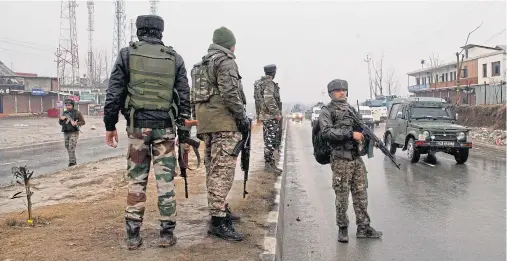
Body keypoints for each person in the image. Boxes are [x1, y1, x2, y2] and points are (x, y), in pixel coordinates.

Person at [103, 14, 191, 250]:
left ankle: (133, 235)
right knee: (165, 182)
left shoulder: (127, 54)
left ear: (139, 31)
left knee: (137, 181)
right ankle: (166, 233)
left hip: (137, 129)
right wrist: (183, 135)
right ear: (160, 32)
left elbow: (114, 94)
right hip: (165, 129)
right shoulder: (175, 58)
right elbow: (184, 99)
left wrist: (109, 126)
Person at [193, 26, 248, 241]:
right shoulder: (225, 61)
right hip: (225, 125)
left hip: (207, 125)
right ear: (230, 45)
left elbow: (193, 97)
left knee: (212, 171)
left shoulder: (200, 65)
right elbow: (230, 92)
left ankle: (220, 209)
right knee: (222, 173)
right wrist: (242, 119)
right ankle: (217, 222)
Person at [318, 79, 383, 243]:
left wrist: (369, 138)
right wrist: (350, 134)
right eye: (338, 90)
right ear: (331, 93)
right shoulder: (327, 111)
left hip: (356, 158)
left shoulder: (351, 109)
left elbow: (360, 128)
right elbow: (326, 132)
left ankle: (364, 227)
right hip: (340, 159)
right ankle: (343, 228)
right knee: (342, 196)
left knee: (361, 194)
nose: (342, 92)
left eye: (344, 90)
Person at [254, 64, 282, 174]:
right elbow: (269, 99)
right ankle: (268, 164)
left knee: (268, 140)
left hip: (263, 115)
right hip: (270, 116)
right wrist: (276, 113)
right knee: (270, 141)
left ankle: (270, 164)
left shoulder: (259, 83)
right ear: (273, 73)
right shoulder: (269, 83)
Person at [59, 98, 85, 167]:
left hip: (74, 132)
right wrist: (61, 119)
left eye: (69, 105)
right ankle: (73, 160)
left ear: (72, 105)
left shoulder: (77, 113)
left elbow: (83, 122)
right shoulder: (64, 113)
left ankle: (72, 162)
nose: (68, 107)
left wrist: (76, 123)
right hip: (66, 132)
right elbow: (61, 123)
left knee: (71, 147)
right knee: (67, 146)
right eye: (66, 105)